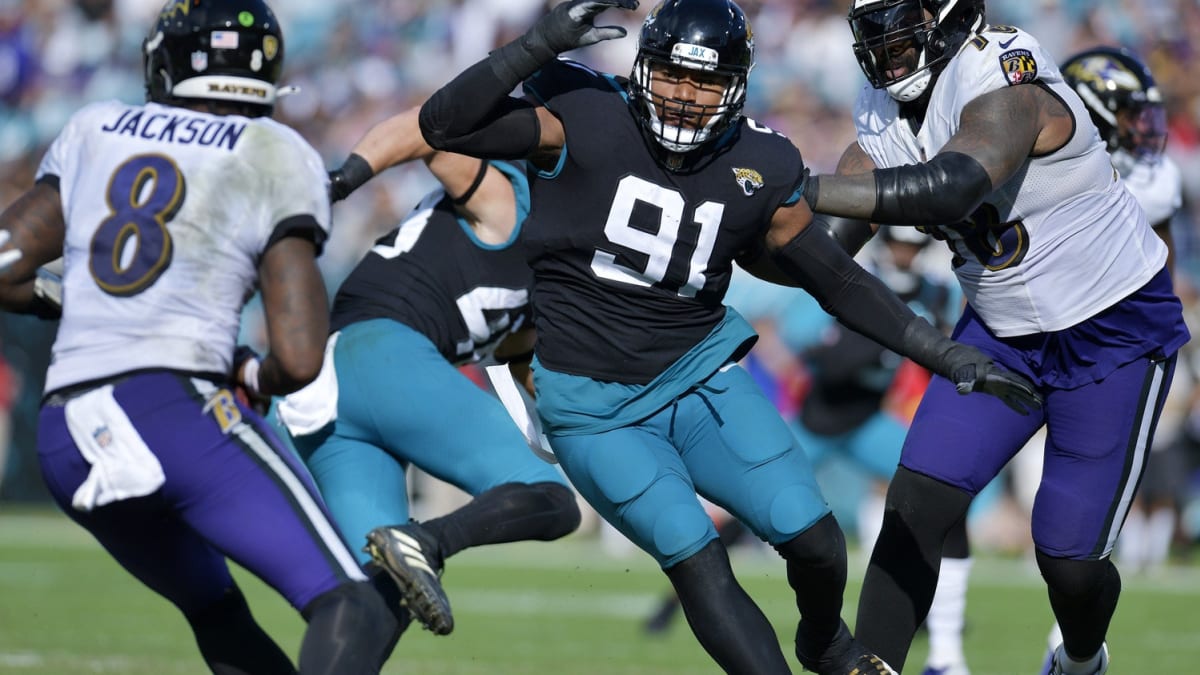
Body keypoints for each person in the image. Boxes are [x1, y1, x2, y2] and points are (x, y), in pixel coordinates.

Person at [415, 0, 1040, 672]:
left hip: (700, 377)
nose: (686, 98)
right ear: (643, 69)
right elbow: (442, 122)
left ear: (737, 86)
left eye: (707, 82)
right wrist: (537, 43)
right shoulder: (584, 114)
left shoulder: (759, 160)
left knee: (818, 540)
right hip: (595, 408)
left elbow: (838, 281)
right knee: (701, 561)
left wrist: (941, 353)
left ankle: (824, 640)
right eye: (674, 76)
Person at [0, 0, 401, 672]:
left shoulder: (97, 124)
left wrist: (78, 303)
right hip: (172, 407)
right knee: (352, 602)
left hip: (66, 432)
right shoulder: (273, 150)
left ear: (166, 61)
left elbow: (7, 266)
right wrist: (253, 377)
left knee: (216, 609)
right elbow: (299, 356)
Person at [800, 2, 1191, 673]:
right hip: (1002, 328)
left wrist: (798, 186)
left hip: (1113, 331)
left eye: (898, 20)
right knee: (916, 503)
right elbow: (825, 245)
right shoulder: (883, 105)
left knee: (1068, 563)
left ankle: (1081, 656)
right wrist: (748, 216)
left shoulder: (1003, 74)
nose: (884, 44)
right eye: (873, 26)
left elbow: (950, 187)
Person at [276, 105, 581, 638]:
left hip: (335, 382)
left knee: (373, 600)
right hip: (382, 353)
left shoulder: (555, 278)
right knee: (548, 498)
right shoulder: (512, 201)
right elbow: (427, 130)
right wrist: (344, 180)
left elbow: (524, 358)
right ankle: (429, 539)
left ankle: (410, 549)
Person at [1019, 44, 1188, 674]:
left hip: (1112, 351)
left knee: (1077, 519)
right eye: (1130, 116)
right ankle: (947, 653)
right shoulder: (1046, 158)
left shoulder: (1154, 180)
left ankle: (1070, 642)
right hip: (1030, 338)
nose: (1144, 131)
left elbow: (1164, 270)